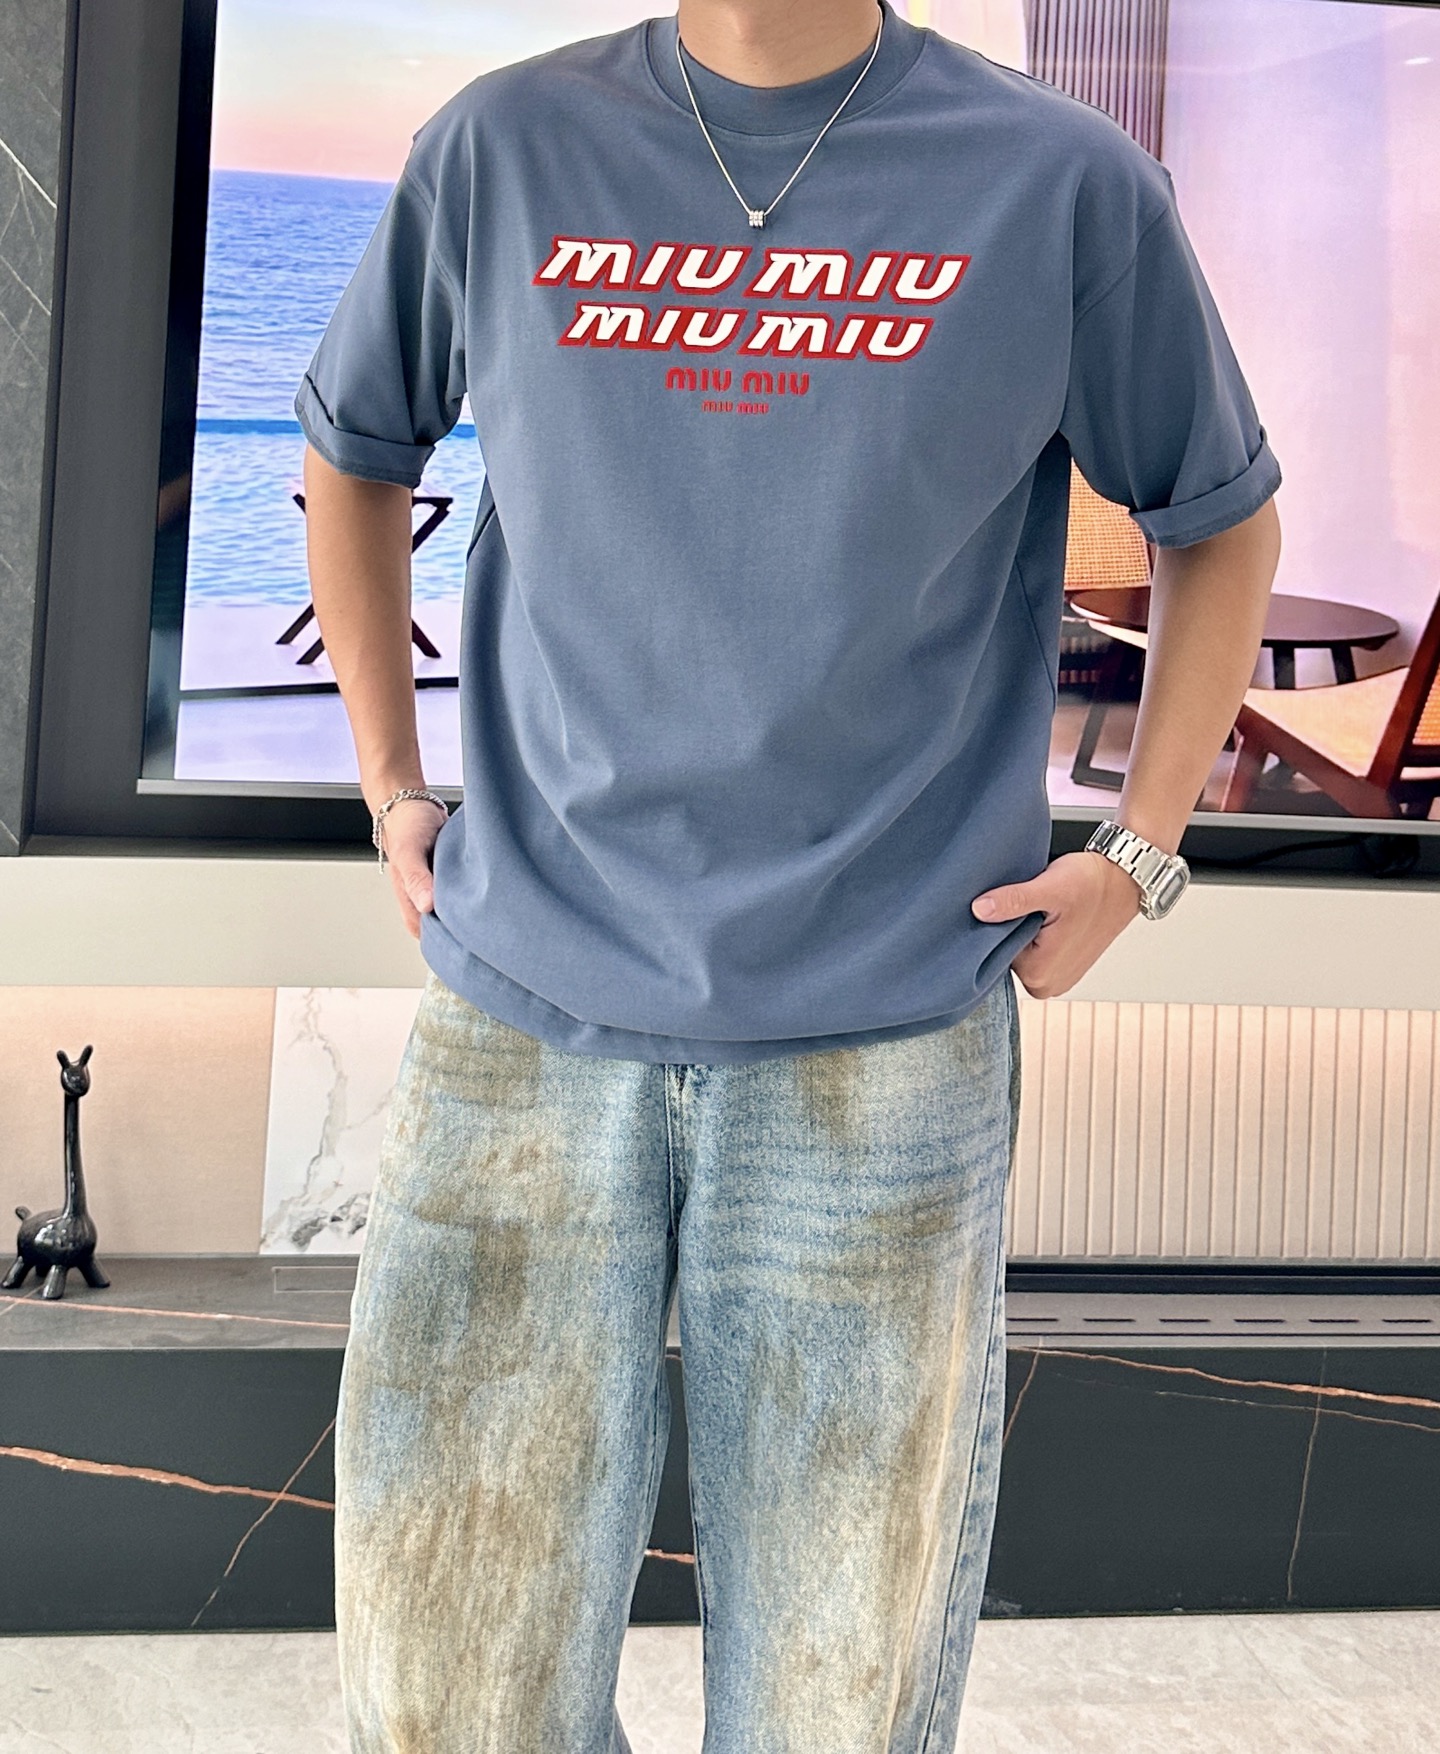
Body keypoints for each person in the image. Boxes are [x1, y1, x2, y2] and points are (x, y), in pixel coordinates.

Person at [294, 2, 1282, 1748]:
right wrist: (391, 788)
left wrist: (1138, 850)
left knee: (840, 1701)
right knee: (446, 1694)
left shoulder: (1060, 185)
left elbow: (1222, 518)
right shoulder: (501, 148)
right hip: (524, 1018)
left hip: (882, 1048)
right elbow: (355, 450)